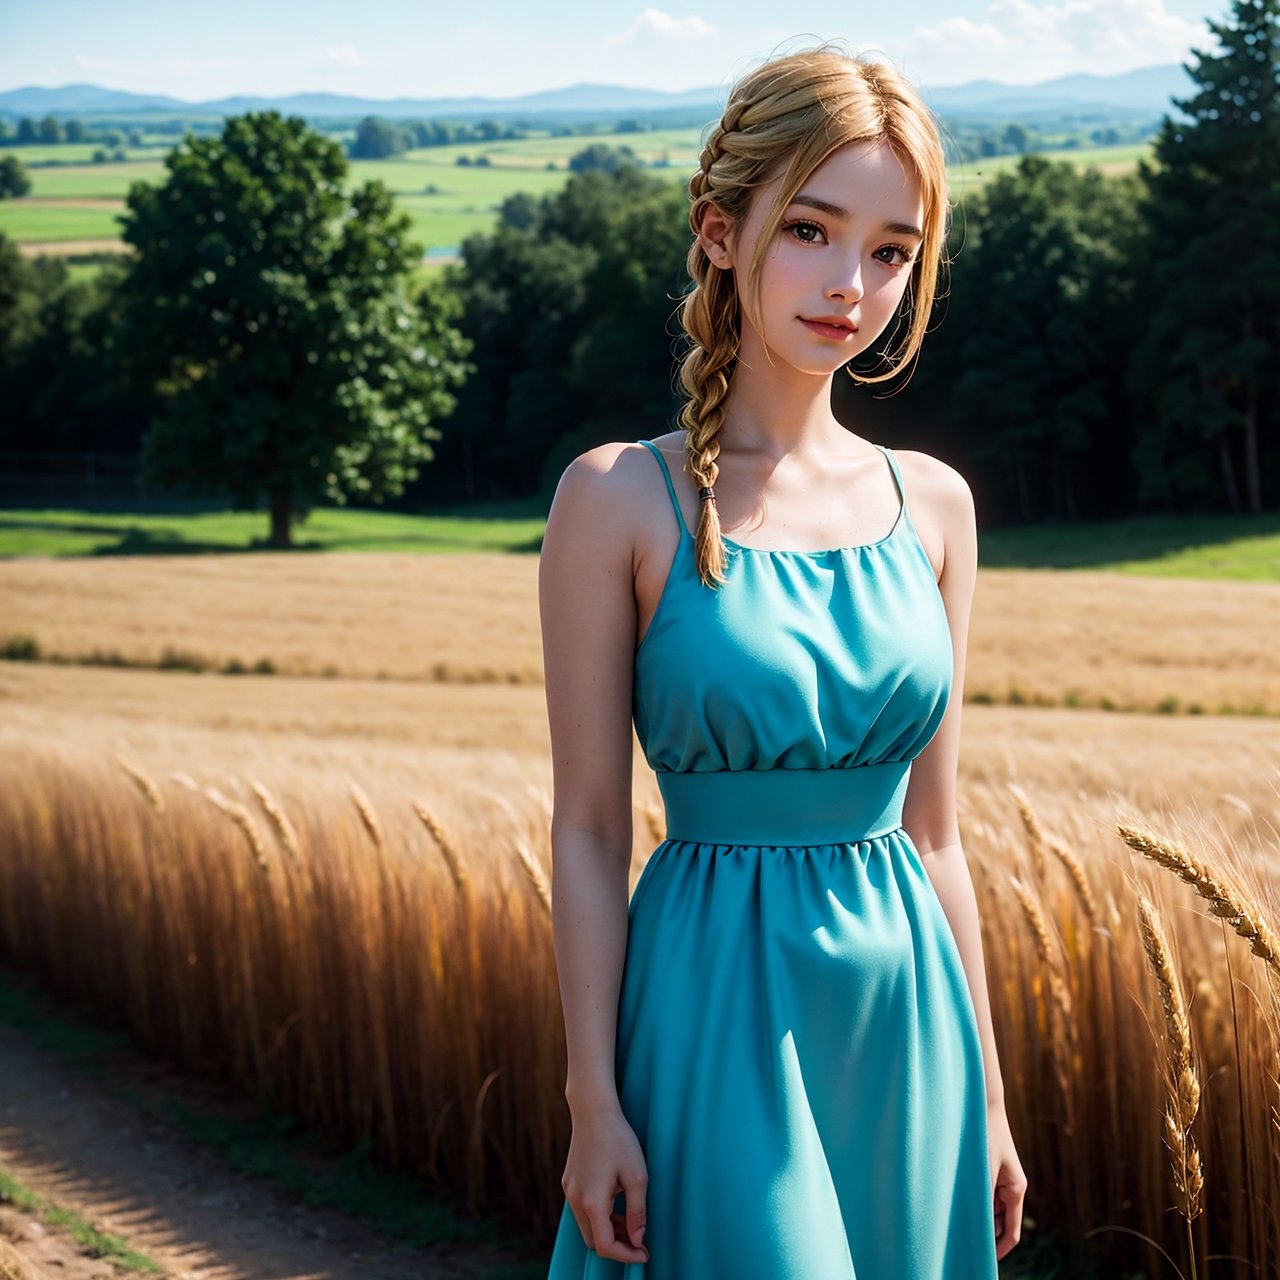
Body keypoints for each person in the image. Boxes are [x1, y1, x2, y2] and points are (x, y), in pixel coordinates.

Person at [538, 40, 1027, 1279]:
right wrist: (593, 1103)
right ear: (718, 229)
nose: (848, 284)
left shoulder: (935, 506)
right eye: (810, 229)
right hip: (715, 1007)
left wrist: (989, 1091)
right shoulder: (616, 498)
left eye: (889, 249)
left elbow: (935, 835)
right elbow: (590, 828)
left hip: (905, 1021)